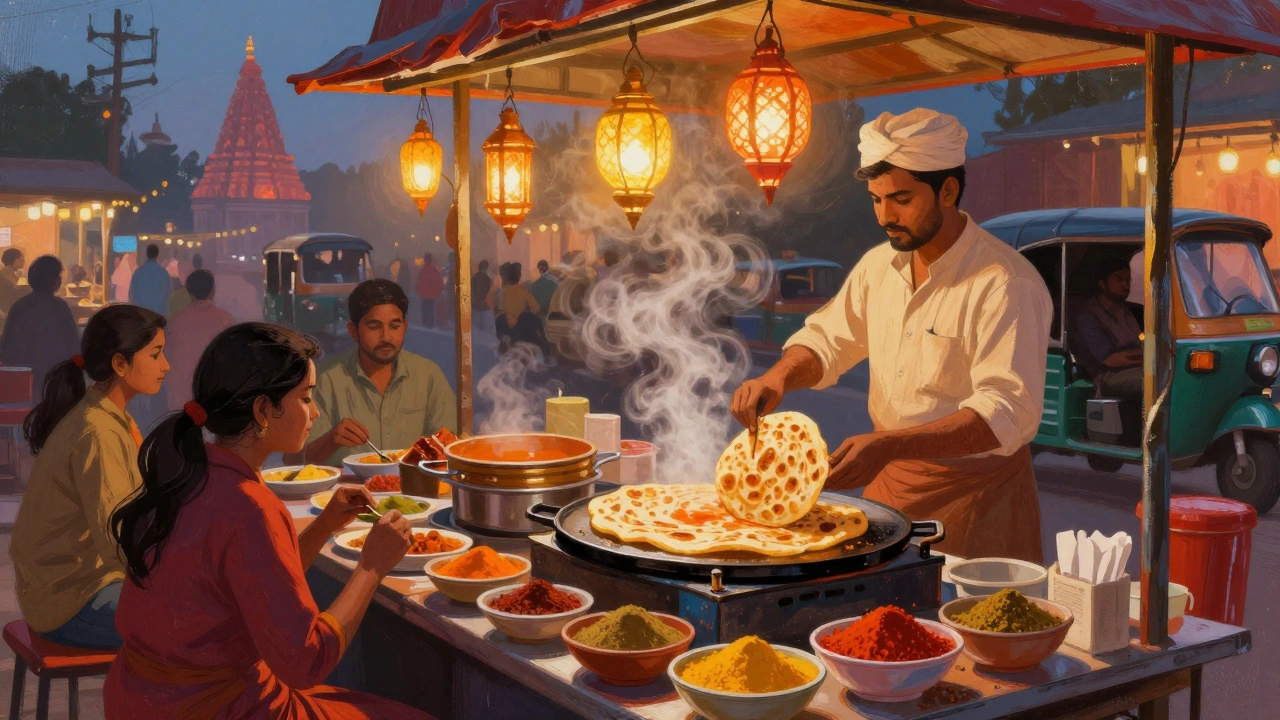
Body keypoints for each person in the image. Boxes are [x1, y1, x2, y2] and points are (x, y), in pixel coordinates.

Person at [731, 108, 1052, 563]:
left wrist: (888, 445)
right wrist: (778, 377)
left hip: (980, 499)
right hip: (890, 487)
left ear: (948, 190)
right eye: (876, 199)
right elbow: (828, 340)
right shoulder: (878, 267)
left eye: (901, 199)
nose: (885, 216)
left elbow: (1004, 413)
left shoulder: (1004, 282)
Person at [103, 323, 433, 720]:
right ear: (262, 410)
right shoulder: (251, 506)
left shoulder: (191, 472)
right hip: (219, 708)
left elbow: (255, 581)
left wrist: (325, 525)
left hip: (142, 700)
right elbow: (305, 662)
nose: (316, 413)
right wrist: (371, 566)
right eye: (306, 398)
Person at [9, 305, 167, 649]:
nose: (165, 366)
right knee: (206, 623)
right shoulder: (96, 432)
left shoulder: (111, 417)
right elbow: (118, 538)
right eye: (155, 355)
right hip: (70, 601)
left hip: (84, 584)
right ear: (120, 364)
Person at [294, 280, 457, 466]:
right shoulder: (324, 378)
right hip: (342, 493)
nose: (386, 337)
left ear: (405, 326)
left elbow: (450, 447)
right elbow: (293, 461)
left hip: (415, 490)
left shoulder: (428, 375)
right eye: (374, 327)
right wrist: (331, 440)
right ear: (353, 331)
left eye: (394, 327)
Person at [0, 256, 79, 391]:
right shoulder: (59, 307)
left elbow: (7, 345)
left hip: (21, 374)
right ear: (53, 281)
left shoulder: (19, 305)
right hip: (52, 374)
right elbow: (72, 344)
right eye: (58, 275)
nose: (61, 279)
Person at [165, 269, 235, 411]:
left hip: (182, 397)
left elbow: (169, 358)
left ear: (189, 292)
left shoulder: (176, 321)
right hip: (215, 394)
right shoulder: (225, 319)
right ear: (212, 291)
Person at [1073, 257, 1142, 398]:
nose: (1126, 285)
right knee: (1155, 381)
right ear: (1102, 284)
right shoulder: (1089, 317)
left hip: (1133, 369)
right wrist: (1148, 360)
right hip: (1106, 378)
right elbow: (1111, 360)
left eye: (1128, 280)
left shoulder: (1126, 311)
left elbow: (1140, 343)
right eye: (1119, 280)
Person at [494, 262, 548, 355]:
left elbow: (498, 310)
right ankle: (547, 354)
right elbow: (536, 308)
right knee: (534, 320)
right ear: (519, 277)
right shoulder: (524, 292)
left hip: (505, 329)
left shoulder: (500, 293)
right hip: (521, 329)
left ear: (507, 277)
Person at [128, 244, 171, 316]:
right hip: (159, 315)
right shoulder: (164, 273)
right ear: (157, 255)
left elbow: (132, 295)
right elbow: (168, 295)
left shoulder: (139, 272)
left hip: (141, 315)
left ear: (146, 254)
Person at [0, 248, 28, 331]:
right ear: (13, 259)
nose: (23, 261)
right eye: (20, 258)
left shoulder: (13, 274)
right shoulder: (4, 275)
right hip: (6, 314)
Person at [416, 252, 443, 328]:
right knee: (431, 311)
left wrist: (418, 290)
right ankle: (430, 325)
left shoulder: (422, 270)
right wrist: (438, 292)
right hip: (432, 295)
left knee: (425, 311)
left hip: (424, 294)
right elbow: (439, 283)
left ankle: (426, 325)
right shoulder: (435, 270)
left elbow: (419, 282)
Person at [472, 259, 494, 335]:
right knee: (483, 323)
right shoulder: (487, 279)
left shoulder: (474, 277)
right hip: (483, 303)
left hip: (475, 303)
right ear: (485, 268)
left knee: (476, 325)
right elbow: (490, 292)